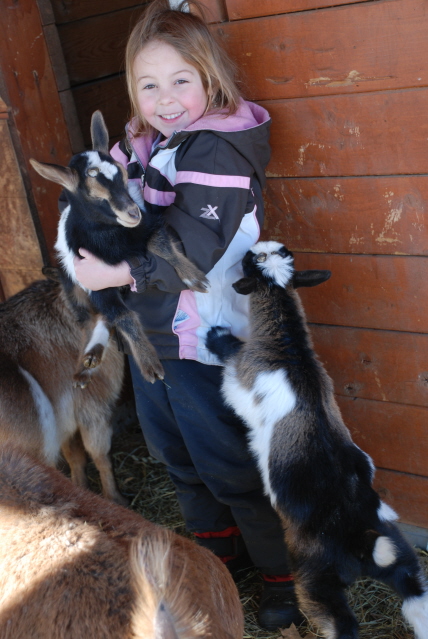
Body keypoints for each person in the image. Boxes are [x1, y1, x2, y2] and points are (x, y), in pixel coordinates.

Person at [72, 0, 302, 629]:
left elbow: (193, 249)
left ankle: (279, 577)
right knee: (178, 458)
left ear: (210, 78)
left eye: (180, 80)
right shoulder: (140, 145)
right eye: (148, 85)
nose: (165, 98)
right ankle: (215, 568)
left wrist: (114, 273)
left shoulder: (218, 152)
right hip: (155, 336)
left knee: (229, 464)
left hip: (205, 336)